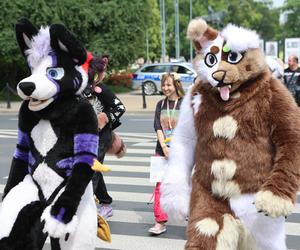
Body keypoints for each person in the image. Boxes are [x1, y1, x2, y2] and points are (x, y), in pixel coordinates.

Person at [83, 54, 126, 219]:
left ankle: (87, 207)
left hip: (101, 136)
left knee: (92, 167)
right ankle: (106, 202)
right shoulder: (78, 90)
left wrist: (104, 117)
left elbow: (120, 108)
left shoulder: (101, 89)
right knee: (92, 168)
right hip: (83, 137)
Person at [148, 72, 185, 235]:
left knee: (186, 186)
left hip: (182, 152)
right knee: (159, 186)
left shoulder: (185, 103)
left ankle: (192, 218)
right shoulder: (160, 104)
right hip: (161, 150)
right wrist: (164, 147)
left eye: (169, 84)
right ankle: (160, 221)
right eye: (163, 85)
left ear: (176, 85)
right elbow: (157, 127)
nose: (165, 88)